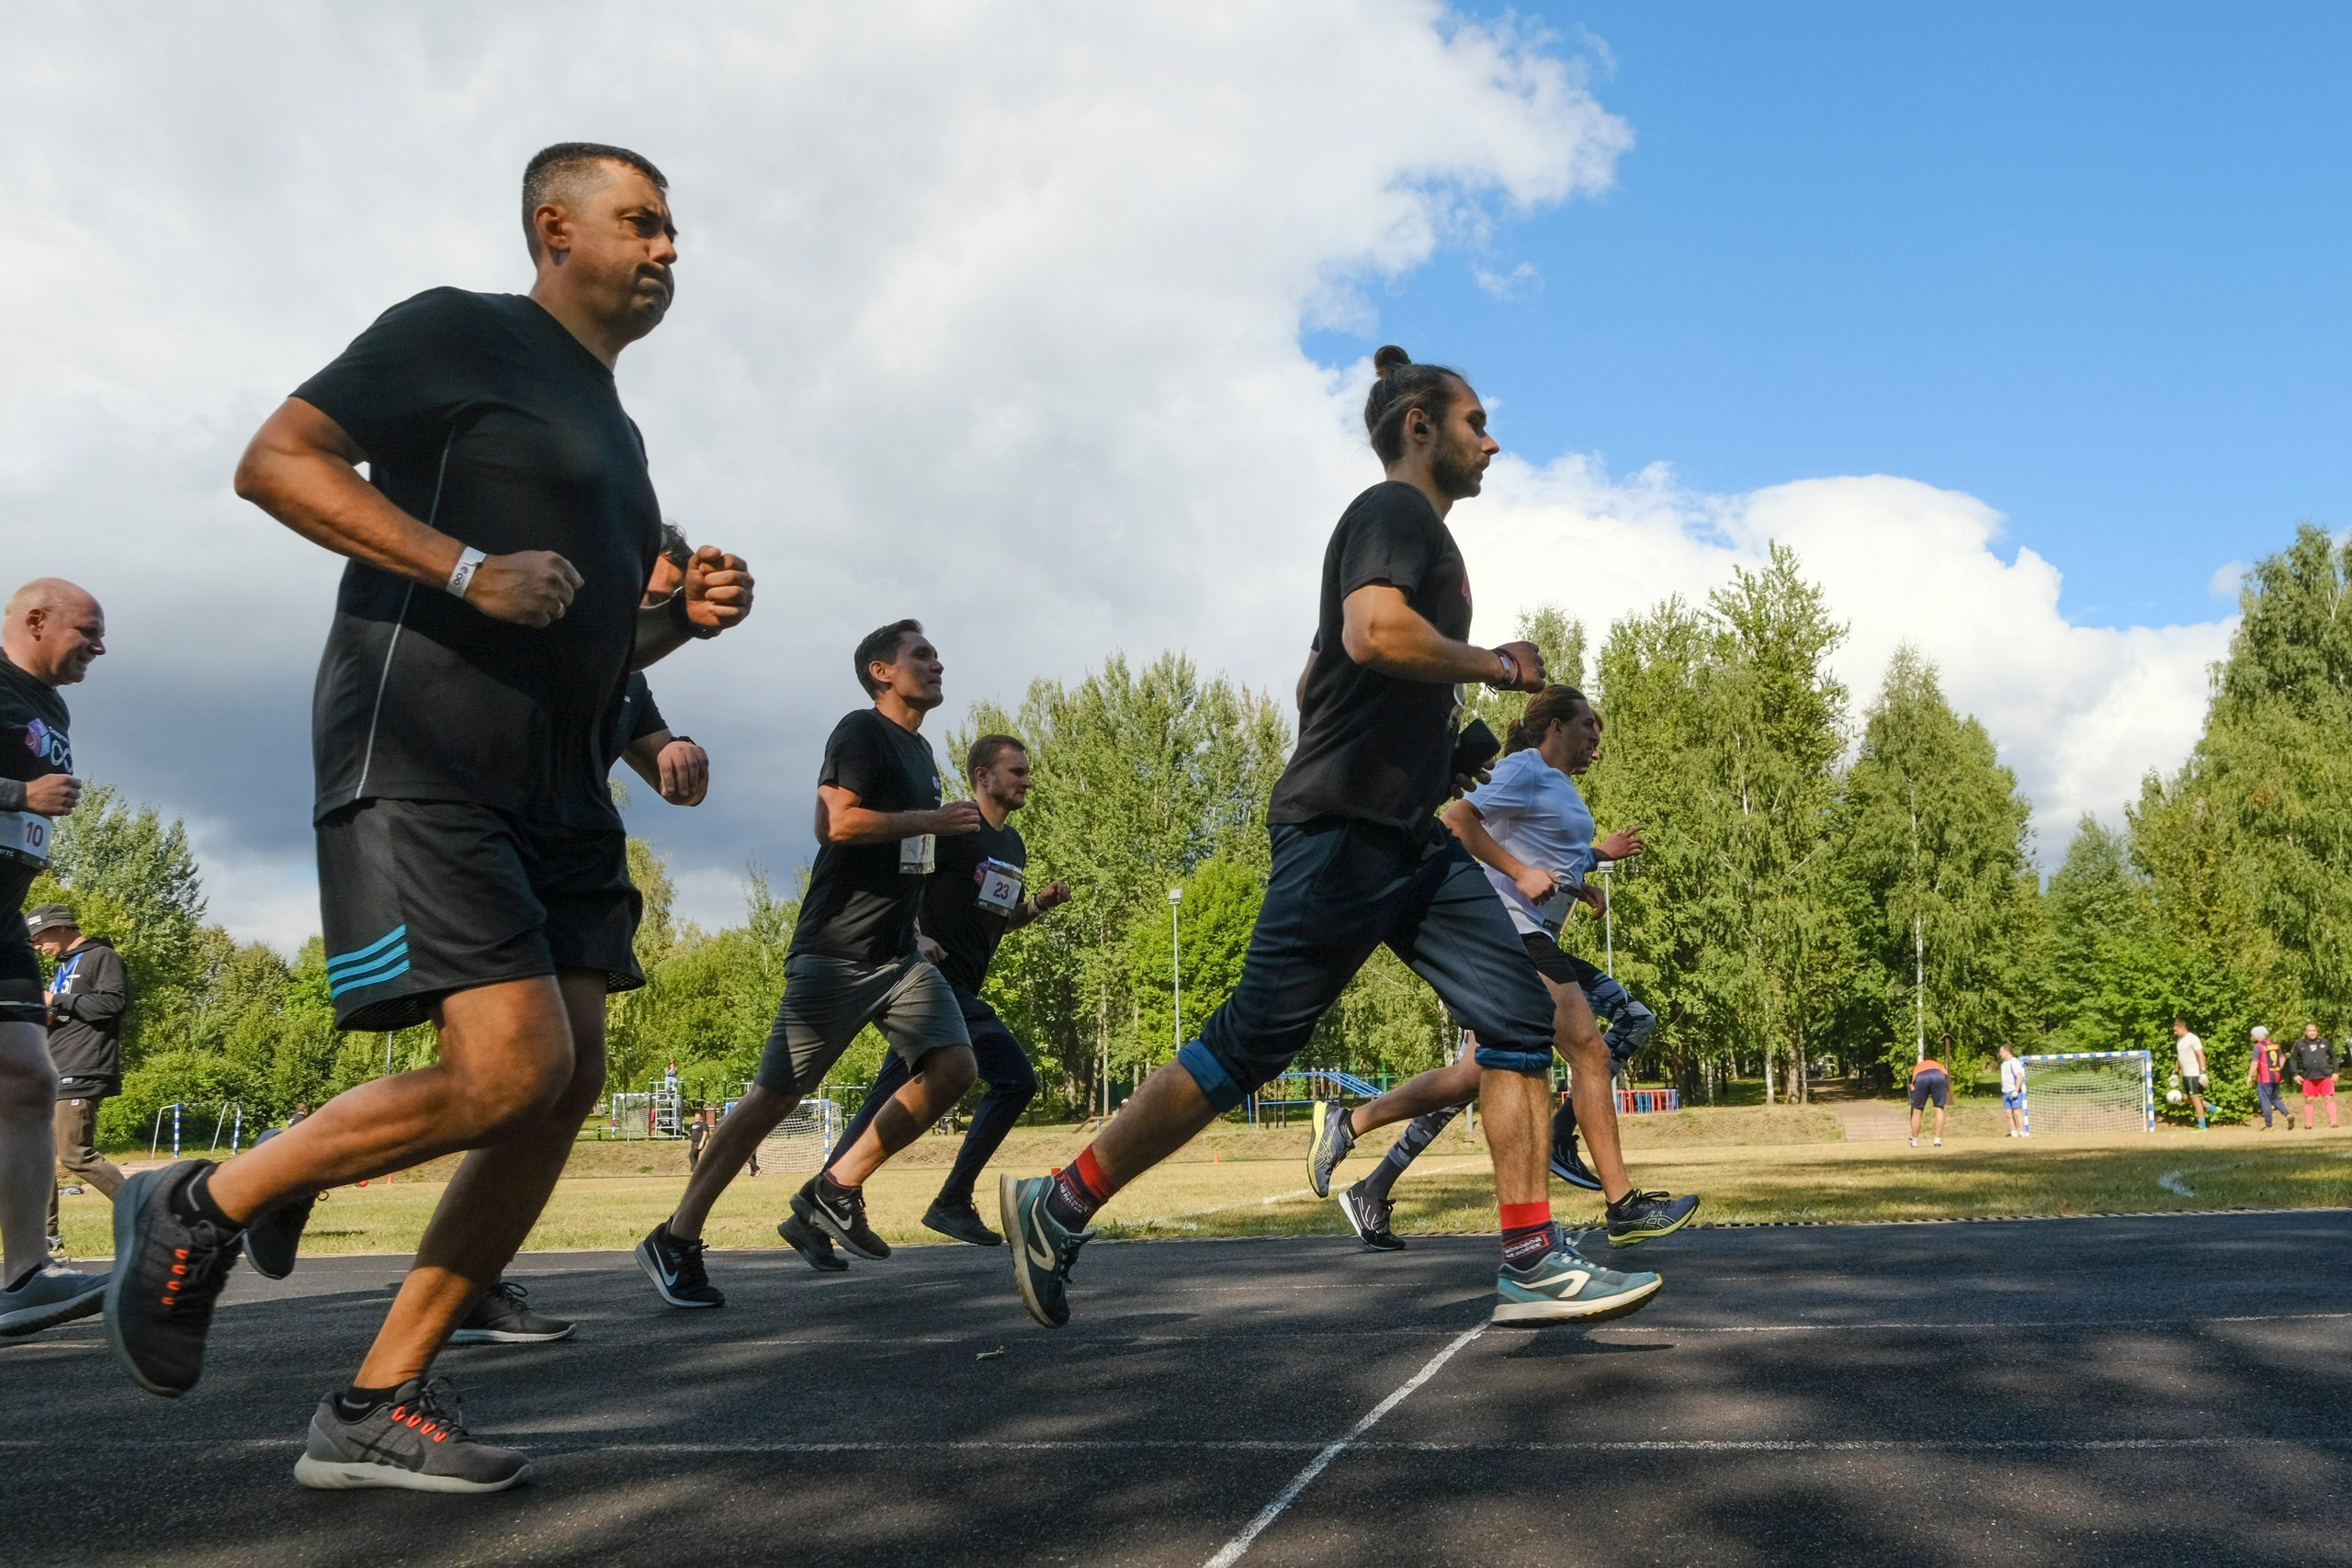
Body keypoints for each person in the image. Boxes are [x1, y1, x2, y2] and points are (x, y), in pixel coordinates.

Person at [104, 142, 754, 1495]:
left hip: (563, 793)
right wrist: (461, 563)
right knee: (508, 1064)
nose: (668, 250)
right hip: (428, 749)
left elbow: (577, 627)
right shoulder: (459, 331)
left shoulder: (619, 437)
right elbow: (276, 461)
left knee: (560, 1086)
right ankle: (197, 1199)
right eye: (643, 224)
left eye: (675, 231)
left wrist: (668, 634)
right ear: (553, 228)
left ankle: (376, 1398)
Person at [1001, 345, 1664, 1330]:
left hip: (1405, 833)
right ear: (1418, 427)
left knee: (1524, 1019)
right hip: (1345, 828)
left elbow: (1319, 683)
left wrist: (1424, 750)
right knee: (1256, 1038)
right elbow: (1369, 637)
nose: (1492, 440)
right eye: (1476, 421)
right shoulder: (1391, 513)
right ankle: (1059, 1201)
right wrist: (1490, 665)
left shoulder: (1406, 533)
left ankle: (1529, 1258)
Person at [635, 620, 978, 1303]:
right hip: (837, 953)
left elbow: (903, 859)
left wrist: (915, 926)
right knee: (774, 1099)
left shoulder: (923, 750)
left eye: (937, 653)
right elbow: (836, 823)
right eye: (921, 654)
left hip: (899, 956)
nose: (937, 662)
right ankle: (675, 1237)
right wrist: (933, 821)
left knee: (954, 1067)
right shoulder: (860, 730)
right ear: (882, 670)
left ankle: (834, 1187)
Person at [1306, 685, 1695, 1252]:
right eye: (1587, 725)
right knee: (1591, 1053)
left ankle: (1349, 1126)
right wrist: (1517, 872)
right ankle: (1622, 1205)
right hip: (1514, 934)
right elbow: (1458, 819)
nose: (1595, 740)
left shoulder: (1551, 784)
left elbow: (1541, 843)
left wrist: (1585, 870)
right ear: (1555, 727)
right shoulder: (1525, 768)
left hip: (1527, 935)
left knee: (1472, 1074)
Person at [819, 734, 1071, 1250]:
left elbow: (1002, 920)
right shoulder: (952, 827)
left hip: (960, 985)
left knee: (886, 1101)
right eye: (1016, 771)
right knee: (1016, 1079)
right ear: (982, 776)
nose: (1027, 780)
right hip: (931, 981)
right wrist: (916, 935)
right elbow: (900, 880)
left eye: (1027, 772)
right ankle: (952, 1199)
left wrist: (1040, 905)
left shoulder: (1013, 844)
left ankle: (818, 1203)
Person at [0, 579, 110, 1337]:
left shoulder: (54, 706)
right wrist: (19, 793)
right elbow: (26, 793)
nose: (100, 648)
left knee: (30, 1079)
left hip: (4, 913)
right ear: (35, 620)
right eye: (89, 631)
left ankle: (24, 1275)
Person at [29, 905, 128, 1246]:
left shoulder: (102, 957)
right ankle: (45, 1236)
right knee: (37, 1153)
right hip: (55, 1069)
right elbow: (71, 1008)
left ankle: (152, 1211)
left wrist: (56, 999)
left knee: (74, 1154)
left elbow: (112, 1004)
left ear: (58, 928)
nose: (37, 946)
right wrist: (50, 1013)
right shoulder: (63, 967)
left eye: (39, 938)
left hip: (83, 1067)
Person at [2293, 1023, 2338, 1131]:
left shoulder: (2325, 1042)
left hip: (2325, 1076)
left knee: (2328, 1097)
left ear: (2317, 1032)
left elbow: (2334, 1057)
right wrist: (2295, 1074)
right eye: (2309, 1031)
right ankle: (2308, 1124)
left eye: (2314, 1030)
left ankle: (2334, 1123)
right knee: (2309, 1100)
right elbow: (2293, 1060)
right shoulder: (2299, 1044)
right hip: (2308, 1077)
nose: (2312, 1033)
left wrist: (2335, 1072)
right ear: (2305, 1032)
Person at [2248, 1027, 2293, 1131]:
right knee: (2275, 1098)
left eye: (2253, 1035)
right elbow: (2282, 1059)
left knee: (2265, 1101)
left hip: (2264, 1077)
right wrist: (2277, 1069)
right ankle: (2287, 1115)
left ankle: (2269, 1125)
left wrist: (2250, 1076)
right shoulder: (2275, 1045)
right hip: (2276, 1076)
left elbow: (2255, 1063)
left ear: (2257, 1036)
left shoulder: (2258, 1047)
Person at [2172, 1019, 2211, 1130]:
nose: (2175, 1033)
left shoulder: (2193, 1038)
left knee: (2196, 1100)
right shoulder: (2179, 1041)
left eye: (2175, 1030)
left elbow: (2201, 1055)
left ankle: (2202, 1126)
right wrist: (2175, 1072)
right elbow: (2179, 1058)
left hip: (2193, 1074)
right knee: (2184, 1098)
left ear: (2182, 1028)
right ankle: (2211, 1107)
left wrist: (2203, 1071)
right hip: (2185, 1075)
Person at [1908, 1053, 1950, 1147]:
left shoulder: (1917, 1067)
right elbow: (1946, 1077)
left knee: (1917, 1111)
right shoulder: (1939, 1065)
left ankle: (1914, 1140)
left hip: (1921, 1077)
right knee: (1939, 1108)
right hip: (1939, 1076)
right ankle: (1937, 1140)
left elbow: (1913, 1086)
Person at [1998, 1044, 2027, 1137]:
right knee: (2008, 1113)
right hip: (2006, 1092)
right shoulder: (2003, 1064)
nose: (2000, 1054)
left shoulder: (2014, 1062)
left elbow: (2019, 1076)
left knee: (2017, 1111)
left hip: (2013, 1091)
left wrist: (2016, 1090)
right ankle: (2013, 1132)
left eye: (2001, 1052)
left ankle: (2022, 1131)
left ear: (2007, 1052)